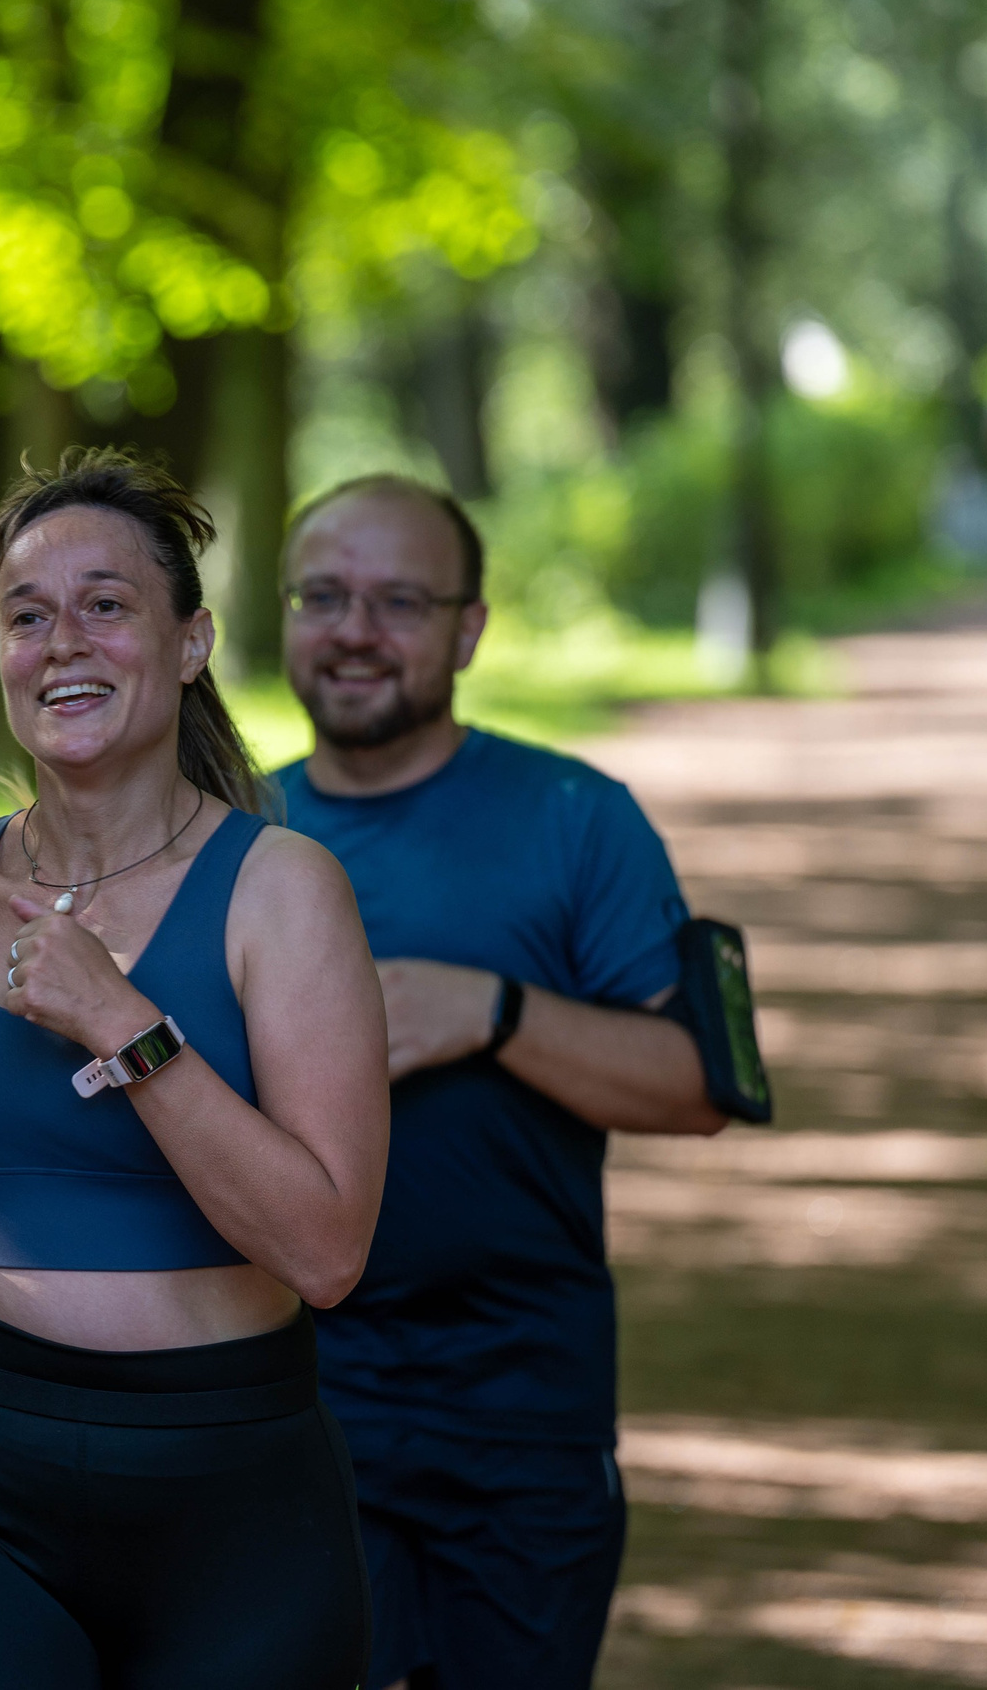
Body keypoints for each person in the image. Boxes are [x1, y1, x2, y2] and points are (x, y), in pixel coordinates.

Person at [0, 450, 391, 1690]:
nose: (61, 640)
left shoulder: (280, 894)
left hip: (234, 1488)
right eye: (27, 616)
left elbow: (328, 1251)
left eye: (106, 605)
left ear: (188, 643)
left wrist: (125, 1025)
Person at [272, 475, 731, 1690]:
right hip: (285, 1401)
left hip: (523, 1404)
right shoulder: (221, 833)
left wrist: (493, 1013)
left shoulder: (580, 818)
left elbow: (697, 1083)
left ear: (468, 628)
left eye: (399, 602)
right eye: (324, 596)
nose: (355, 631)